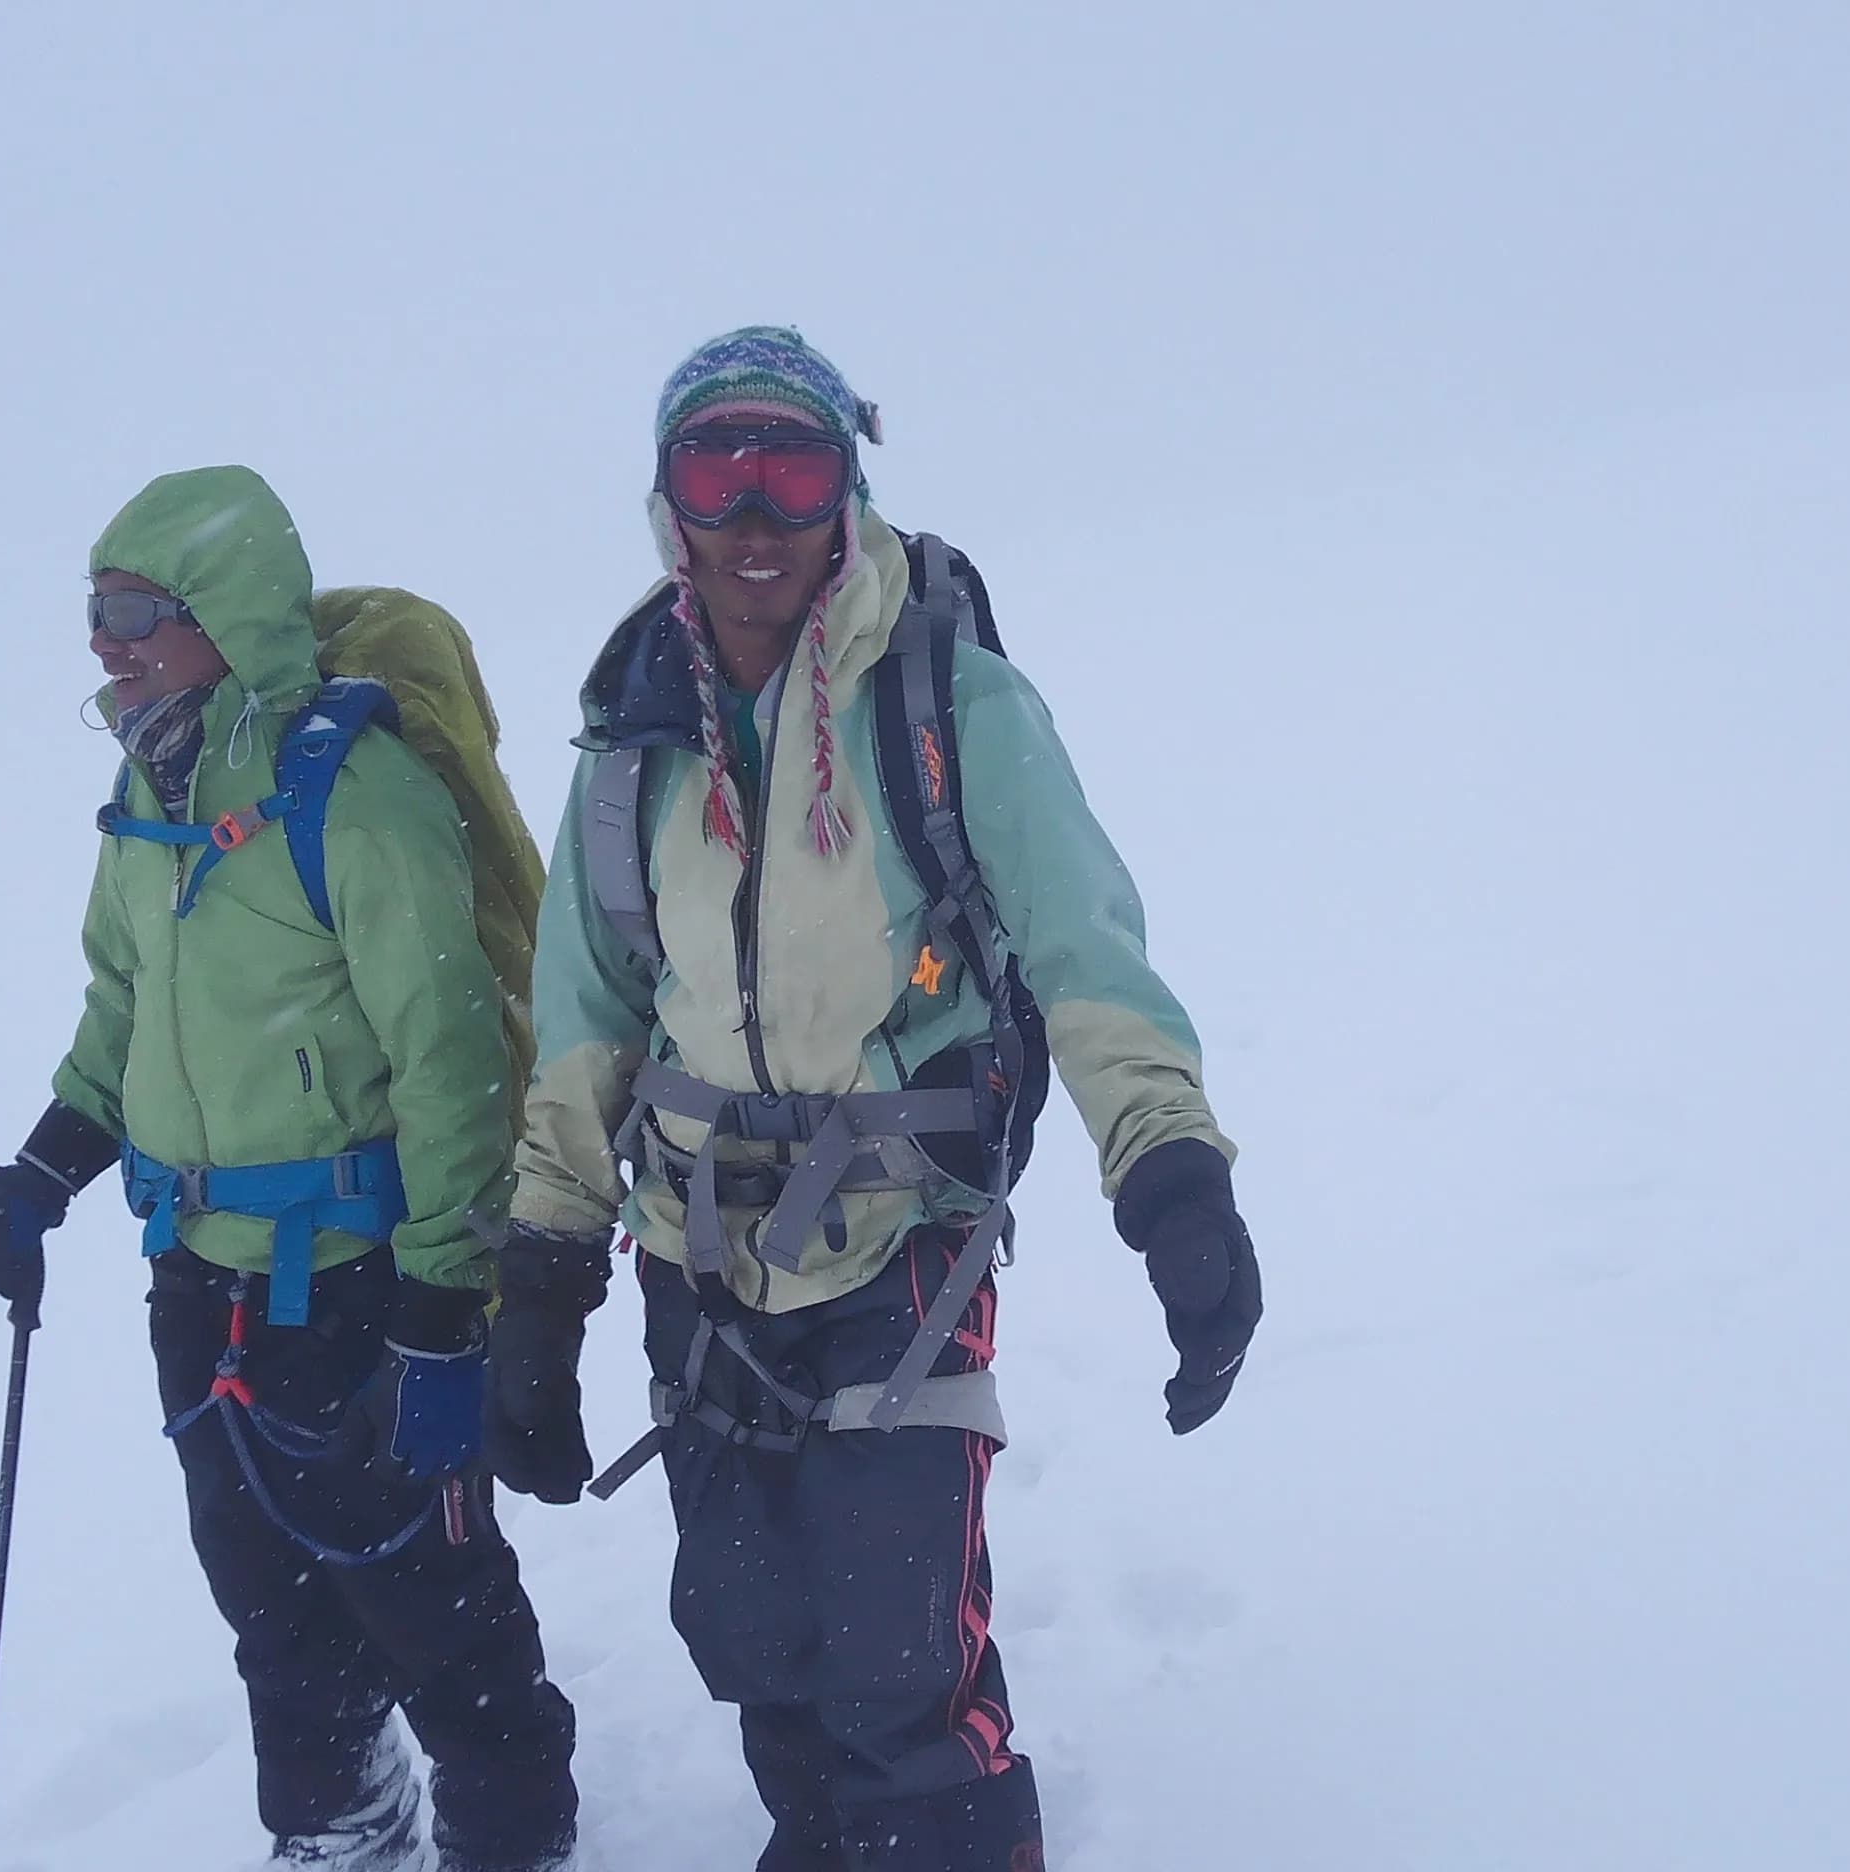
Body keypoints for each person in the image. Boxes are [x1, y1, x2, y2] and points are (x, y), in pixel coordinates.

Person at [481, 330, 1265, 1871]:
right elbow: (586, 1021)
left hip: (907, 1235)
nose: (757, 512)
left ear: (851, 490)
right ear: (668, 500)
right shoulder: (630, 736)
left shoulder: (951, 703)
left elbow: (1086, 952)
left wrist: (1172, 1176)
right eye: (719, 468)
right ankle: (830, 1842)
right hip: (698, 1249)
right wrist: (542, 1274)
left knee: (898, 1652)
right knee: (753, 1631)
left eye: (796, 465)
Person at [0, 465, 579, 1871]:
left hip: (363, 1282)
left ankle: (513, 1847)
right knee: (273, 1612)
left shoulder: (354, 797)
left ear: (226, 615)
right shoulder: (144, 788)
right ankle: (342, 1837)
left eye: (133, 611)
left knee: (441, 1610)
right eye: (93, 613)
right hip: (199, 1283)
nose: (104, 643)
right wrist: (42, 1173)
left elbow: (452, 1062)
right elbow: (123, 1011)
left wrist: (442, 1303)